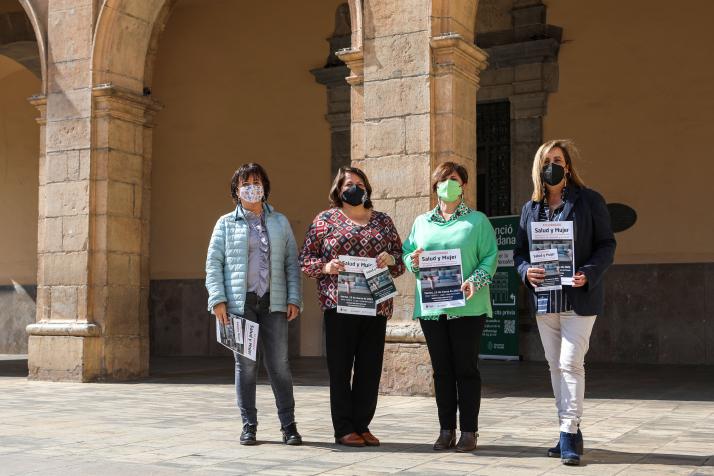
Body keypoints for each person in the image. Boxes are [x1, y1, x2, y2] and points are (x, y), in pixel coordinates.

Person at [513, 139, 616, 466]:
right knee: (554, 365)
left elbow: (606, 245)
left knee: (571, 363)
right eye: (545, 161)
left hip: (578, 296)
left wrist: (589, 271)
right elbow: (519, 253)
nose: (551, 166)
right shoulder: (531, 208)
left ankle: (568, 434)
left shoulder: (589, 201)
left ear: (568, 166)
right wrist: (526, 270)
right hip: (545, 298)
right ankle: (567, 427)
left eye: (556, 160)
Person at [299, 166, 405, 447]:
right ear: (338, 189)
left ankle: (362, 425)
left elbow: (400, 259)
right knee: (341, 368)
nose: (354, 187)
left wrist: (390, 260)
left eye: (359, 183)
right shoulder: (325, 220)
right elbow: (306, 260)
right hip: (340, 305)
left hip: (376, 304)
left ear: (367, 188)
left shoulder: (382, 221)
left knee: (370, 369)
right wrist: (327, 266)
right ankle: (344, 428)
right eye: (348, 184)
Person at [402, 162, 498, 453]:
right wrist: (413, 261)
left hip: (468, 307)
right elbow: (408, 253)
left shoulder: (478, 221)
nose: (448, 184)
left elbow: (490, 257)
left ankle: (469, 431)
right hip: (433, 309)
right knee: (442, 371)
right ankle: (446, 430)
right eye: (443, 180)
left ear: (464, 185)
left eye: (454, 180)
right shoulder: (421, 222)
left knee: (466, 369)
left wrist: (474, 281)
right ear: (435, 186)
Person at [205, 163, 303, 446]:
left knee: (279, 364)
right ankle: (249, 426)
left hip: (273, 301)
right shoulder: (225, 223)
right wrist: (218, 300)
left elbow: (290, 264)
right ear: (236, 190)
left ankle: (289, 426)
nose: (252, 187)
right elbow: (214, 264)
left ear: (265, 187)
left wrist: (293, 297)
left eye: (257, 181)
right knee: (246, 366)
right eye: (246, 182)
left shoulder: (280, 222)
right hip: (240, 303)